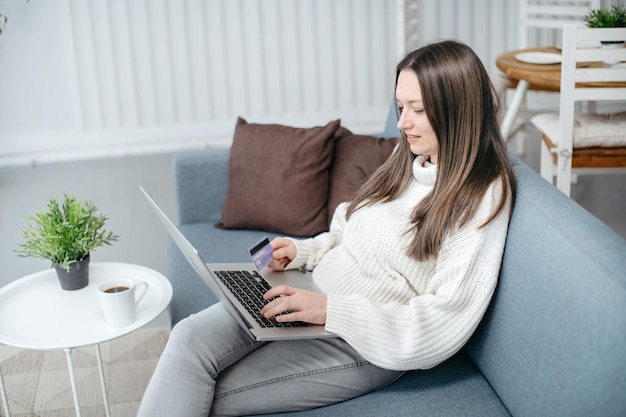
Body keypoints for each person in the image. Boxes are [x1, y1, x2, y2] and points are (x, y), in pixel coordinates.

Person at [137, 40, 516, 417]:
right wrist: (304, 252)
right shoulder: (412, 154)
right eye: (400, 107)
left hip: (361, 340)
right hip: (310, 291)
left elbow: (442, 322)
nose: (402, 123)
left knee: (206, 391)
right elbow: (352, 226)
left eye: (417, 109)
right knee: (188, 339)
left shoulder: (482, 195)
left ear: (458, 109)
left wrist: (331, 311)